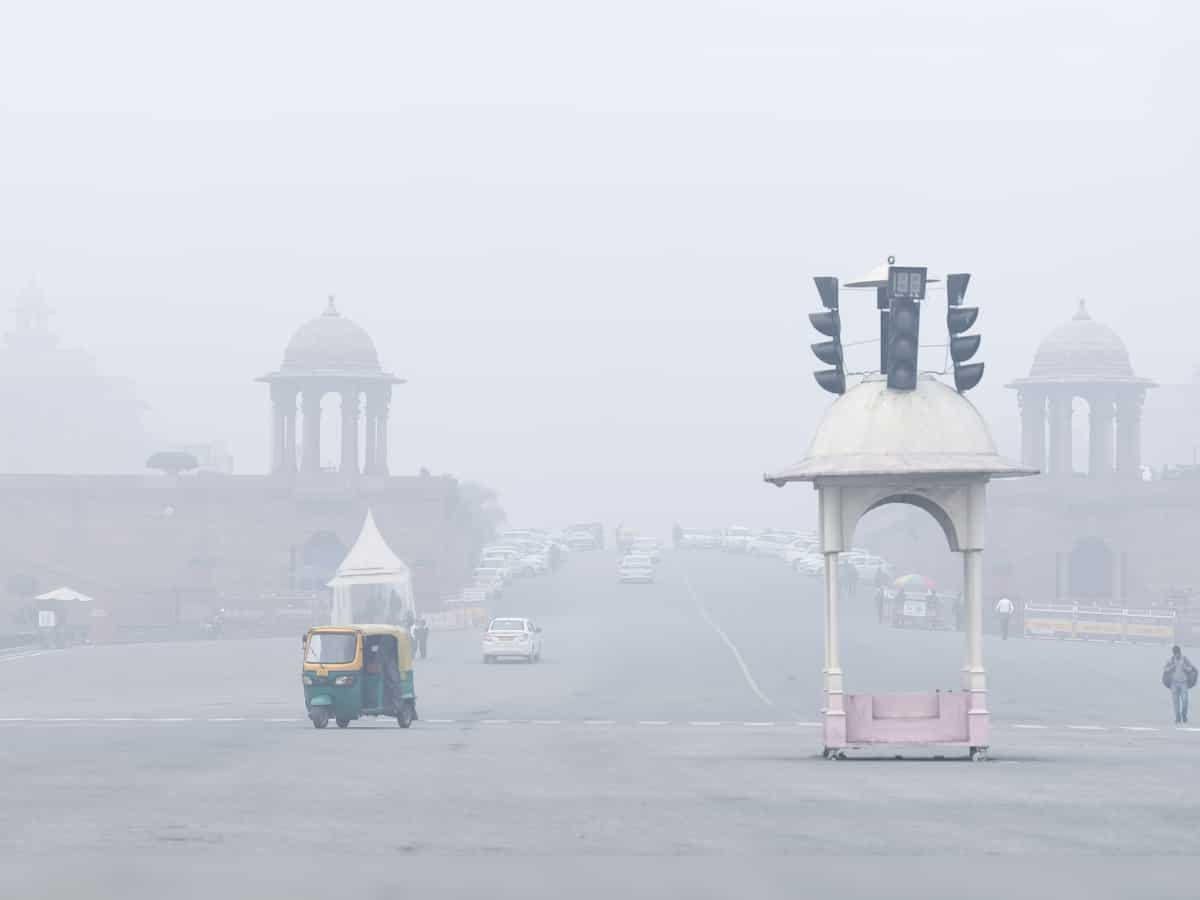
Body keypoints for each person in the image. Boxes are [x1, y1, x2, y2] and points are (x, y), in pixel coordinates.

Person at [1162, 645, 1198, 724]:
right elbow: (1165, 669)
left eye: (1177, 653)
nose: (1176, 655)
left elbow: (1191, 668)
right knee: (1176, 702)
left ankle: (1184, 715)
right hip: (1173, 683)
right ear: (1173, 654)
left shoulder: (1185, 659)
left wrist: (1185, 667)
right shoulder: (1170, 660)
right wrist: (1172, 667)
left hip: (1183, 683)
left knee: (1185, 700)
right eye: (1175, 654)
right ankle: (1178, 718)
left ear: (1180, 653)